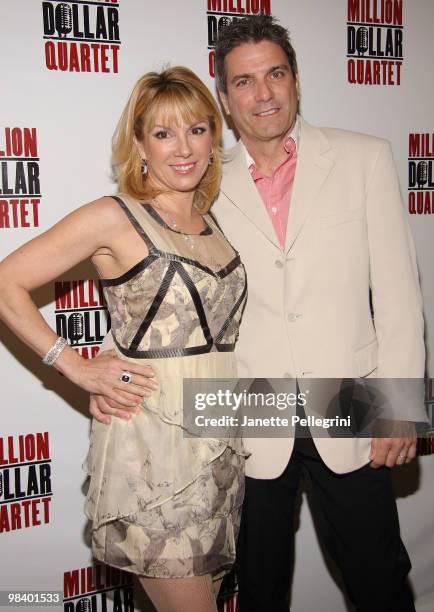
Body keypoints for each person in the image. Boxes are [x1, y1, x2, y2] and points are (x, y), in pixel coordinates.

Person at [91, 14, 429, 612]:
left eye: (275, 74)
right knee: (256, 589)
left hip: (351, 399)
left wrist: (402, 408)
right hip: (243, 409)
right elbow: (156, 281)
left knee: (379, 580)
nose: (263, 93)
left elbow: (400, 294)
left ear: (296, 79)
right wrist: (109, 368)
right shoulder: (199, 181)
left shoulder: (364, 159)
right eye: (243, 82)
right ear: (224, 98)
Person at [0, 66, 248, 612]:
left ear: (214, 135)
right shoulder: (115, 217)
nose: (182, 148)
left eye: (196, 129)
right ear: (138, 144)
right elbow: (6, 281)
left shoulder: (214, 219)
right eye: (163, 134)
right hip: (155, 447)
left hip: (219, 439)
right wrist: (75, 365)